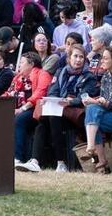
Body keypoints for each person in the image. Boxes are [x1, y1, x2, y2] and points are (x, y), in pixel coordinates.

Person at [31, 44, 98, 173]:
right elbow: (53, 91)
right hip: (59, 109)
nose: (78, 60)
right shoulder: (61, 72)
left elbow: (85, 97)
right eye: (75, 56)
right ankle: (35, 161)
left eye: (81, 57)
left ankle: (60, 162)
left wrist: (71, 101)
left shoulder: (89, 77)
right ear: (69, 58)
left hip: (75, 113)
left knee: (52, 119)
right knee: (43, 122)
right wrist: (52, 100)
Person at [12, 53, 54, 171]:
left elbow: (41, 92)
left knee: (19, 120)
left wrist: (22, 108)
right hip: (20, 108)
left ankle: (18, 157)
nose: (19, 65)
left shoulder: (42, 74)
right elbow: (10, 92)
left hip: (35, 109)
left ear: (31, 64)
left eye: (22, 62)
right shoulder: (18, 77)